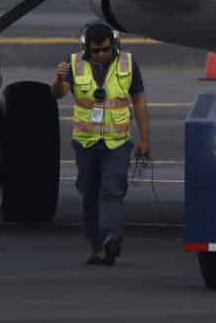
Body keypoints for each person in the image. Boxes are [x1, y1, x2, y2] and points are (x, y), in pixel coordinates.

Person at [54, 22, 150, 265]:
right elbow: (58, 94)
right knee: (88, 193)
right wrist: (58, 79)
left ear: (113, 46)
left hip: (117, 143)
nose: (100, 55)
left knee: (112, 191)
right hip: (86, 143)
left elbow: (138, 100)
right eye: (95, 51)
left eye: (104, 50)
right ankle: (96, 245)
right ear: (87, 48)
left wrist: (144, 138)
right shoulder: (75, 63)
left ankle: (111, 238)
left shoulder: (128, 64)